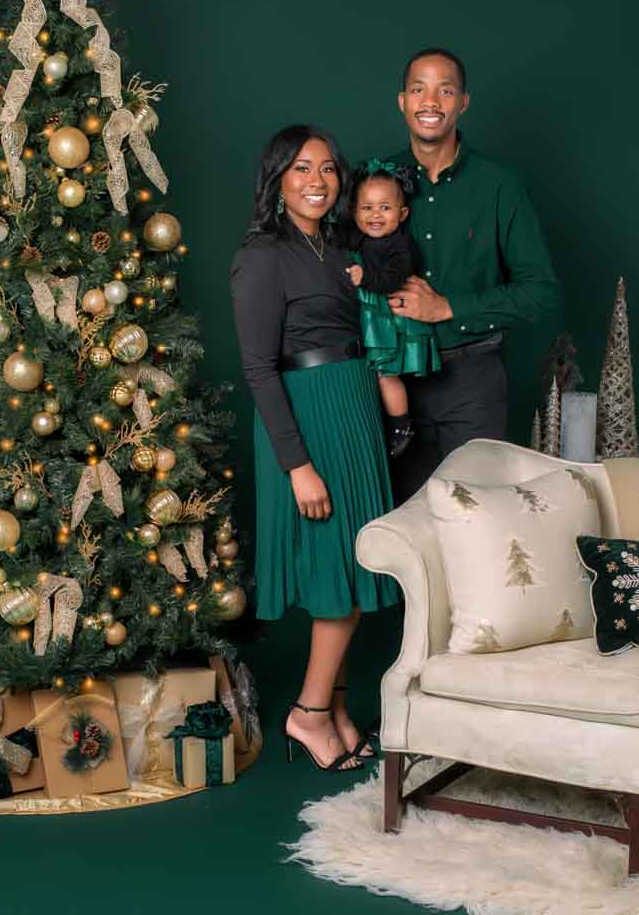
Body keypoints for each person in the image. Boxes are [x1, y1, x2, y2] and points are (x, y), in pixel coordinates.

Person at [230, 125, 398, 772]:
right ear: (277, 177)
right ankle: (308, 715)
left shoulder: (338, 247)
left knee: (354, 572)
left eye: (328, 168)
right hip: (308, 423)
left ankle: (337, 706)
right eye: (302, 168)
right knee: (334, 581)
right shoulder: (262, 255)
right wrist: (297, 465)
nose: (318, 180)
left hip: (351, 415)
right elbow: (258, 370)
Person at [386, 47, 562, 500]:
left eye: (445, 90)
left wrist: (448, 308)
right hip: (393, 383)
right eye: (418, 89)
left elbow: (541, 292)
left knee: (477, 519)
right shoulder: (374, 184)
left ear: (463, 102)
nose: (430, 101)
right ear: (401, 100)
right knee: (399, 522)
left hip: (473, 382)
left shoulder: (498, 186)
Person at [344, 158, 441, 459]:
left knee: (386, 374)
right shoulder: (357, 236)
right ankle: (386, 420)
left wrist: (366, 278)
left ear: (402, 214)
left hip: (394, 324)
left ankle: (402, 425)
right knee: (371, 375)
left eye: (384, 208)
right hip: (374, 320)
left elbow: (394, 278)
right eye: (367, 208)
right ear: (355, 213)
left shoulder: (400, 245)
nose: (375, 215)